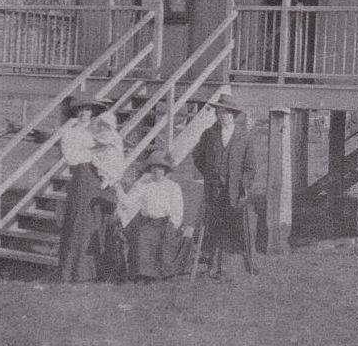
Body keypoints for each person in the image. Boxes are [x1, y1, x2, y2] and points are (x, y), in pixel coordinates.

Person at [191, 94, 258, 278]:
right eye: (219, 112)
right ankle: (211, 265)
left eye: (226, 112)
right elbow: (197, 156)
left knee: (233, 229)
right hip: (214, 189)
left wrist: (243, 185)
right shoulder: (209, 134)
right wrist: (210, 173)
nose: (222, 116)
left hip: (234, 192)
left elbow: (250, 167)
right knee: (213, 227)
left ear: (233, 114)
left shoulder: (244, 136)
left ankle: (233, 267)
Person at [56, 96, 119, 282]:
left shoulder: (98, 129)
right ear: (76, 112)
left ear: (93, 112)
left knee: (99, 217)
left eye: (88, 110)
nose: (85, 113)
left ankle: (99, 270)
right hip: (82, 176)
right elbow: (71, 158)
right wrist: (92, 152)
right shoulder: (69, 133)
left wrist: (106, 170)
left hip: (100, 176)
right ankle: (76, 271)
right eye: (81, 109)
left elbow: (111, 150)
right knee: (80, 219)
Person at [116, 150, 192, 282]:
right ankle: (143, 273)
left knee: (166, 240)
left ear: (165, 170)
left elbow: (177, 210)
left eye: (160, 168)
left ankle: (159, 273)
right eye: (154, 168)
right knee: (142, 236)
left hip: (165, 223)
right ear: (150, 169)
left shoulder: (173, 187)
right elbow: (128, 202)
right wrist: (118, 189)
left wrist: (173, 225)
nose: (157, 171)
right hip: (147, 223)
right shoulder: (143, 185)